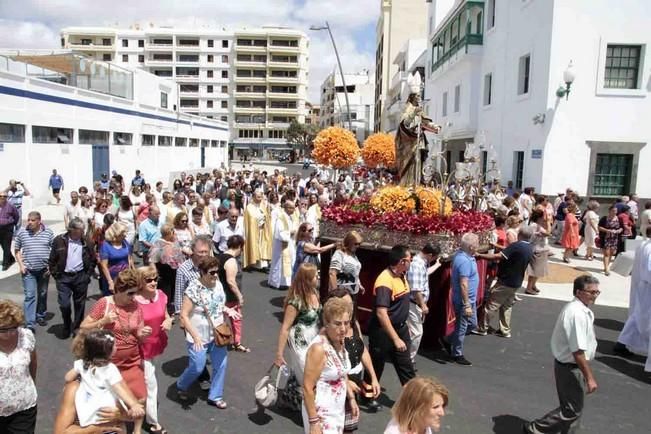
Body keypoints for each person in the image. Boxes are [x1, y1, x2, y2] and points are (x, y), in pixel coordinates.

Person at [523, 275, 600, 434]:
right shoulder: (576, 314)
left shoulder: (580, 310)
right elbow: (578, 351)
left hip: (571, 366)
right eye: (591, 292)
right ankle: (535, 429)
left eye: (597, 292)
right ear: (579, 292)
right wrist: (589, 377)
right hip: (571, 367)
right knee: (571, 410)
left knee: (574, 408)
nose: (595, 295)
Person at [80, 269, 149, 434]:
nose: (133, 297)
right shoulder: (105, 303)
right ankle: (118, 427)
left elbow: (138, 332)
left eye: (136, 293)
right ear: (119, 290)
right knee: (115, 401)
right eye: (130, 293)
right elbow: (83, 327)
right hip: (110, 362)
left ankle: (137, 430)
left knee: (141, 396)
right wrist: (103, 321)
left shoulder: (136, 305)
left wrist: (142, 333)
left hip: (132, 359)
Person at [176, 256, 240, 408]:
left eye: (217, 272)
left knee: (221, 365)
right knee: (197, 367)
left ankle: (215, 396)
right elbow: (184, 315)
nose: (216, 275)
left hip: (217, 332)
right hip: (199, 335)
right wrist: (195, 337)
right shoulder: (193, 289)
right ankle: (182, 384)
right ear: (202, 273)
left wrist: (228, 310)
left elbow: (217, 305)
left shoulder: (217, 284)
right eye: (212, 273)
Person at [365, 244, 415, 407]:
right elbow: (381, 313)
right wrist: (395, 339)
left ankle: (413, 399)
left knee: (405, 365)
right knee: (376, 363)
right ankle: (367, 395)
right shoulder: (384, 281)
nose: (411, 262)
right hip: (383, 332)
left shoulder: (402, 275)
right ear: (401, 261)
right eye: (409, 259)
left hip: (400, 328)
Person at [64, 329, 145, 428]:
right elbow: (119, 388)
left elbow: (68, 378)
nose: (116, 347)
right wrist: (133, 404)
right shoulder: (109, 369)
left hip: (86, 410)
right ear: (107, 351)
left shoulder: (82, 363)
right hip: (105, 409)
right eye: (114, 345)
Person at [302, 297, 358, 434]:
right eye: (338, 324)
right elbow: (307, 387)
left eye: (346, 323)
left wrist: (351, 398)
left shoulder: (339, 341)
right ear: (326, 323)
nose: (343, 329)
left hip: (337, 411)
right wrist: (314, 422)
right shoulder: (319, 349)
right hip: (321, 413)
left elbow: (341, 373)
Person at [476, 226, 534, 338]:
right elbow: (510, 251)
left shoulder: (516, 246)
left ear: (519, 234)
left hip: (506, 281)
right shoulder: (529, 247)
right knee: (506, 306)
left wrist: (480, 255)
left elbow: (497, 256)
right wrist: (497, 246)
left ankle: (482, 328)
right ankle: (505, 330)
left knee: (491, 305)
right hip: (516, 281)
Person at [135, 265, 172, 434]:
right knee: (151, 385)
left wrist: (168, 321)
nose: (153, 282)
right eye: (148, 280)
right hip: (141, 347)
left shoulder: (161, 296)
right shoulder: (134, 301)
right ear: (140, 283)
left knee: (149, 378)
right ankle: (153, 423)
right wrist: (139, 331)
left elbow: (166, 314)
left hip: (157, 343)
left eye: (155, 279)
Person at [275, 263, 322, 386]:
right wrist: (279, 354)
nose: (318, 277)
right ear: (307, 279)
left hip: (314, 337)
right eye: (315, 276)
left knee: (313, 370)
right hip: (299, 339)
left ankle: (291, 396)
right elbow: (285, 328)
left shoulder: (315, 293)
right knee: (306, 371)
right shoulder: (296, 301)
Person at [49, 218, 96, 338]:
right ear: (72, 230)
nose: (83, 232)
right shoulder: (59, 240)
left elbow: (93, 259)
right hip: (64, 277)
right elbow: (52, 259)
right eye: (81, 230)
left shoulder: (87, 242)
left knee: (79, 304)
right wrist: (56, 275)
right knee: (64, 304)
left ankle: (77, 327)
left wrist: (87, 274)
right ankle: (67, 324)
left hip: (80, 276)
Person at [613, 227, 651, 374]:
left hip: (642, 285)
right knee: (643, 318)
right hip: (647, 287)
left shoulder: (644, 244)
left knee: (638, 315)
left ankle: (622, 344)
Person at [0, 299, 38, 434]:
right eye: (4, 330)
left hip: (24, 406)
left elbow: (33, 362)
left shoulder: (26, 336)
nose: (10, 333)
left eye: (13, 327)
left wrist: (31, 384)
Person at [14, 211, 54, 330]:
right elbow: (17, 250)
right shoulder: (22, 232)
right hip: (28, 270)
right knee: (30, 295)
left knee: (42, 293)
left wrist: (51, 266)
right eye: (29, 220)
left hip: (44, 270)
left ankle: (40, 315)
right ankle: (30, 323)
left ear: (39, 221)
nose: (30, 222)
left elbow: (54, 250)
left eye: (32, 220)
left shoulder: (48, 232)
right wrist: (21, 265)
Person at [444, 233, 480, 366]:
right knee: (462, 326)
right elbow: (463, 284)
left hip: (470, 300)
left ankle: (449, 340)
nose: (478, 246)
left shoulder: (467, 256)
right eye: (476, 244)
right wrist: (467, 304)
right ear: (471, 247)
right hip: (465, 301)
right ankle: (456, 353)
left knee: (472, 324)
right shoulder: (464, 261)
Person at [406, 243, 441, 364]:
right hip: (414, 303)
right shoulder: (416, 265)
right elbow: (416, 290)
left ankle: (406, 356)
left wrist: (437, 265)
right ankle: (408, 358)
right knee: (417, 333)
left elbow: (425, 273)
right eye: (434, 258)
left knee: (412, 331)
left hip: (415, 304)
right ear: (430, 255)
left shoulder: (421, 264)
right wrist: (423, 305)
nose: (433, 260)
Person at [218, 235, 250, 353]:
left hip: (221, 294)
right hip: (229, 296)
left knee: (220, 319)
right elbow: (231, 281)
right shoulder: (231, 260)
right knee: (236, 320)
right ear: (240, 247)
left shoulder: (220, 256)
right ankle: (237, 342)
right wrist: (239, 296)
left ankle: (219, 340)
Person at [384, 377, 448, 434]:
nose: (442, 413)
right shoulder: (393, 432)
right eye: (435, 407)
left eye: (442, 406)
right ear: (417, 408)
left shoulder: (423, 426)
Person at [150, 224, 185, 314]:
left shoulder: (174, 242)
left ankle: (170, 309)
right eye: (173, 233)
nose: (175, 234)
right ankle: (165, 312)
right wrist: (154, 273)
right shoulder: (158, 244)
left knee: (173, 291)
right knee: (166, 292)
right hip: (164, 271)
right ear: (169, 233)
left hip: (174, 271)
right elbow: (152, 260)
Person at [174, 236, 213, 314]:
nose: (204, 255)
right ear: (192, 250)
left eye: (206, 252)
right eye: (201, 252)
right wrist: (181, 316)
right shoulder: (183, 270)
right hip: (193, 314)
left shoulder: (212, 266)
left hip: (212, 313)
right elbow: (179, 296)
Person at [269, 200, 300, 289]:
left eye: (294, 208)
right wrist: (290, 233)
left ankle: (287, 282)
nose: (293, 210)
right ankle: (278, 282)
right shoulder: (281, 218)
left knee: (289, 261)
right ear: (286, 208)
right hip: (282, 244)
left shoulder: (291, 217)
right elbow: (279, 232)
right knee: (280, 263)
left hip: (290, 243)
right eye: (291, 208)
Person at [99, 222, 134, 294]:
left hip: (125, 277)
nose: (125, 234)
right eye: (123, 233)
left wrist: (133, 272)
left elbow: (130, 258)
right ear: (116, 233)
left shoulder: (125, 242)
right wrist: (110, 282)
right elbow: (104, 266)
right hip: (112, 277)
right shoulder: (106, 245)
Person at [242, 189, 271, 271]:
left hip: (262, 229)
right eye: (258, 197)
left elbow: (266, 215)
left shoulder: (262, 206)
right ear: (253, 197)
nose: (260, 199)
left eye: (261, 197)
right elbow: (250, 220)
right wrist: (258, 220)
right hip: (253, 231)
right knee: (255, 246)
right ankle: (253, 263)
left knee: (262, 246)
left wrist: (265, 218)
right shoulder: (249, 207)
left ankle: (263, 265)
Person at [525, 209, 550, 295]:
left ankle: (533, 285)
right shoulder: (534, 225)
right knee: (534, 271)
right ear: (539, 217)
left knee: (538, 271)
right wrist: (548, 223)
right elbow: (548, 233)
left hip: (541, 249)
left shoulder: (537, 225)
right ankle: (529, 287)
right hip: (537, 250)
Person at [598, 206, 622, 276]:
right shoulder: (604, 218)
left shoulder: (619, 218)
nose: (615, 212)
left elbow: (621, 228)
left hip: (615, 238)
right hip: (606, 238)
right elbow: (599, 227)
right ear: (609, 211)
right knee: (606, 254)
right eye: (613, 210)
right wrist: (607, 230)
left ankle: (607, 266)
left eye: (616, 211)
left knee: (612, 253)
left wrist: (618, 231)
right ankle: (606, 269)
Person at [0, 191, 20, 270]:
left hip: (7, 228)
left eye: (4, 196)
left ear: (7, 197)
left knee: (6, 245)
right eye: (0, 196)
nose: (2, 198)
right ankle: (11, 259)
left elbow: (16, 216)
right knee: (3, 246)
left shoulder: (11, 206)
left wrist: (12, 223)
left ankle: (6, 263)